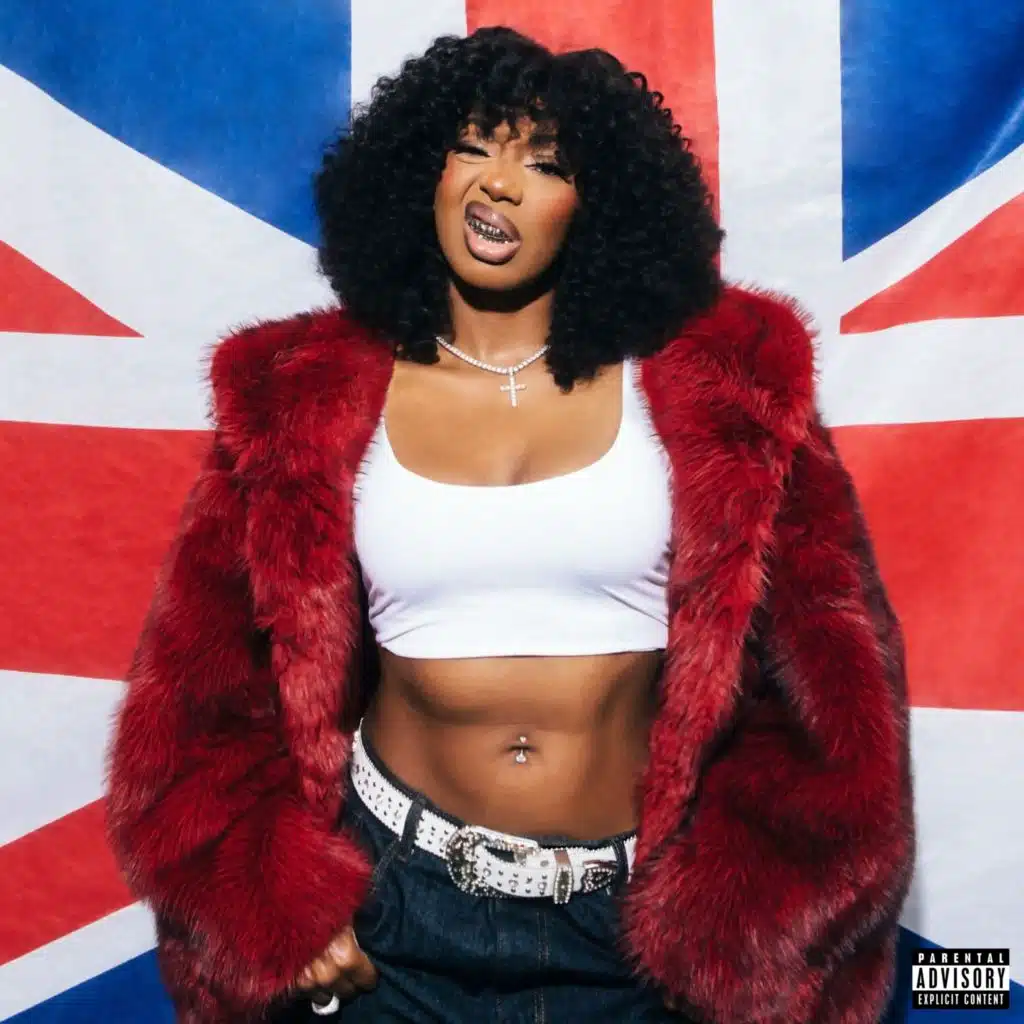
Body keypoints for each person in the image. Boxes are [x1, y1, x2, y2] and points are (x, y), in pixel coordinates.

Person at [105, 25, 915, 1024]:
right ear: (424, 173)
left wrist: (746, 927)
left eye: (546, 164)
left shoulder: (725, 385)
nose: (499, 183)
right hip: (390, 916)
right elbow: (195, 690)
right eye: (472, 147)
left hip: (636, 936)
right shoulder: (299, 399)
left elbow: (837, 687)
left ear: (595, 203)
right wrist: (272, 908)